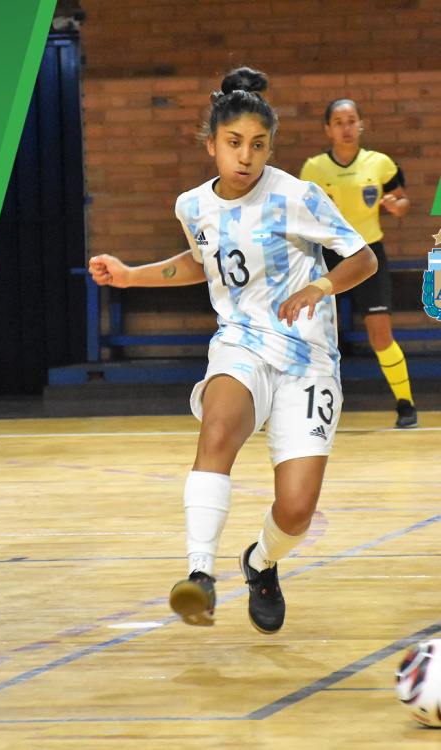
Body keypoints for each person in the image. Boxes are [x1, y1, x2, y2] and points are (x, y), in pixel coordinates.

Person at [89, 68, 377, 634]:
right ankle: (199, 577)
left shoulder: (299, 196)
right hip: (241, 342)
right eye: (234, 143)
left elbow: (362, 259)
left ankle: (260, 563)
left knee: (296, 510)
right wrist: (129, 276)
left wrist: (319, 287)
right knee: (217, 428)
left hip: (307, 359)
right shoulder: (192, 206)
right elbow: (201, 262)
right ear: (211, 144)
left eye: (258, 145)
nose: (245, 157)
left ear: (270, 146)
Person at [300, 100, 417, 428]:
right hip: (328, 256)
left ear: (361, 125)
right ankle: (290, 406)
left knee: (380, 334)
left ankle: (406, 405)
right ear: (328, 129)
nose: (346, 127)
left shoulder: (380, 164)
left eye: (352, 121)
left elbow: (403, 200)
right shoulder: (313, 169)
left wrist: (398, 206)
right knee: (309, 333)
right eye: (338, 122)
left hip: (369, 255)